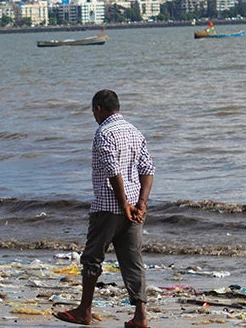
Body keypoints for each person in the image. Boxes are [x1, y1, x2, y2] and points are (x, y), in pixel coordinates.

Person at [55, 89, 155, 328]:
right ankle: (140, 316)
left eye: (94, 112)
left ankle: (84, 310)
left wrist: (122, 204)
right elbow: (148, 168)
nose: (94, 116)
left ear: (99, 108)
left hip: (109, 208)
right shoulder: (134, 131)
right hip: (134, 209)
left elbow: (113, 171)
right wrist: (141, 203)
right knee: (133, 260)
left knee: (91, 259)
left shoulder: (104, 133)